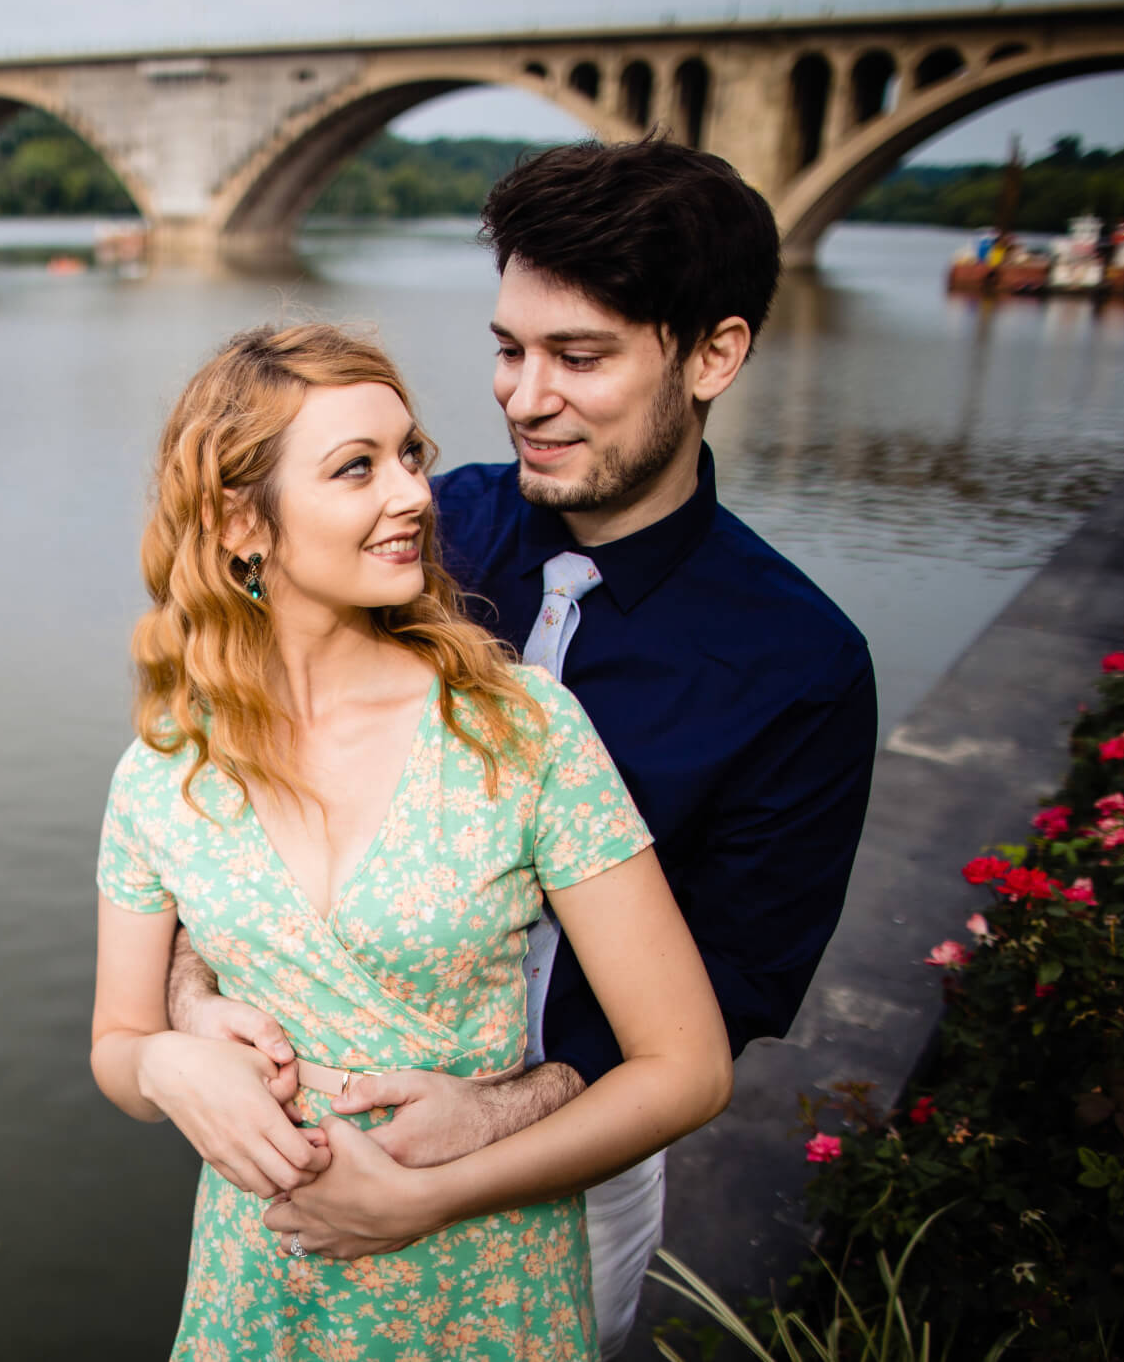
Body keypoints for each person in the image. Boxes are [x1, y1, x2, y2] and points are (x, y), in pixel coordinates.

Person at [167, 139, 879, 1356]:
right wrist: (188, 1008)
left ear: (712, 353)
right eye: (508, 347)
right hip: (298, 1128)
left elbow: (732, 985)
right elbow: (226, 778)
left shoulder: (798, 668)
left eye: (579, 356)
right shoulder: (407, 532)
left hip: (571, 1161)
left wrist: (499, 1112)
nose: (522, 394)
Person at [88, 323, 734, 1359]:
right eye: (356, 468)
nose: (412, 495)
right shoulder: (163, 773)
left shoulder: (517, 732)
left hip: (480, 1287)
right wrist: (168, 1062)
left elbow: (686, 1067)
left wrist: (428, 1199)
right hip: (261, 1288)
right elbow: (114, 1046)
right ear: (237, 520)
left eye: (410, 455)